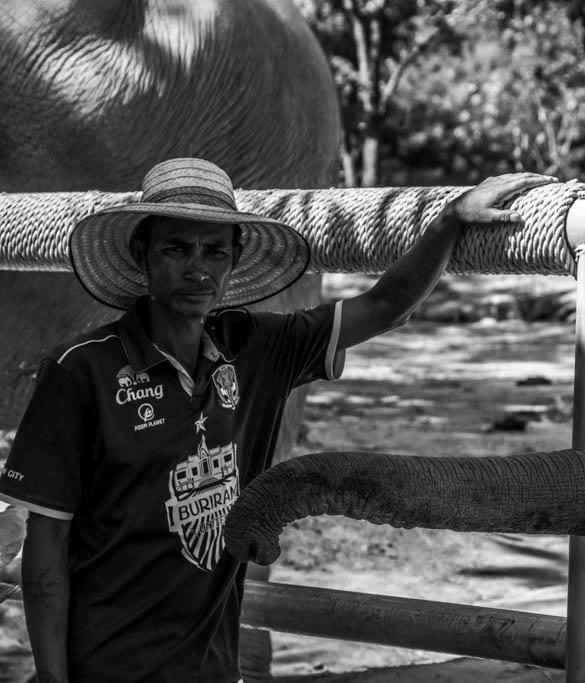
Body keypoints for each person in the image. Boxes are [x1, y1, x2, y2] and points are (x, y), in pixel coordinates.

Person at [0, 157, 554, 683]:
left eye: (215, 251)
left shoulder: (255, 349)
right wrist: (52, 677)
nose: (197, 268)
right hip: (104, 666)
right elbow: (46, 543)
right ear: (142, 253)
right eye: (176, 248)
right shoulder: (82, 371)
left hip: (214, 669)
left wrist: (450, 222)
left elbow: (385, 307)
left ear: (234, 261)